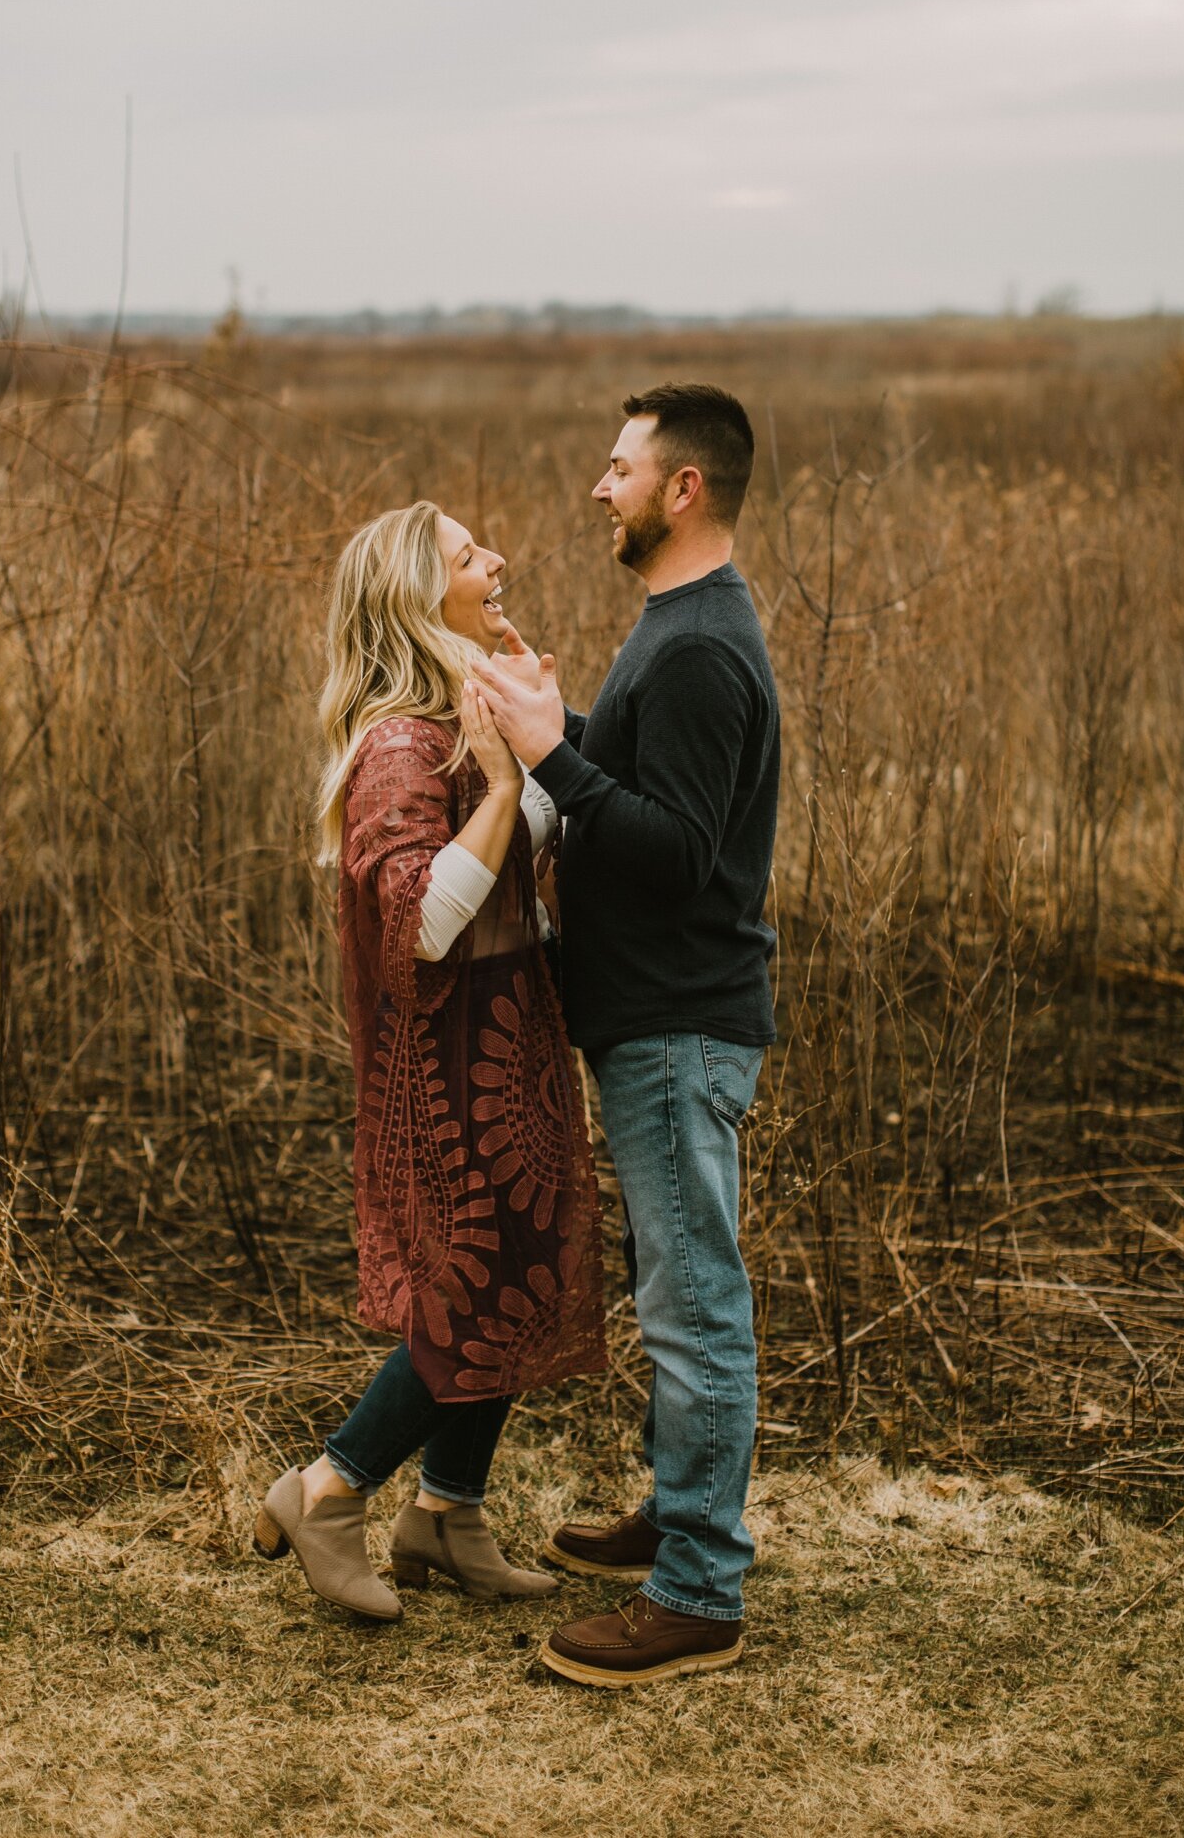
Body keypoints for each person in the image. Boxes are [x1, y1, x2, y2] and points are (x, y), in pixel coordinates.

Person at [253, 501, 606, 1620]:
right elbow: (418, 917)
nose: (497, 559)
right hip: (451, 1068)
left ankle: (446, 1512)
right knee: (472, 1284)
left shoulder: (459, 710)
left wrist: (534, 739)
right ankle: (329, 1488)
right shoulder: (401, 740)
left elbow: (530, 857)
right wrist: (503, 788)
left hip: (511, 1043)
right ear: (417, 597)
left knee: (526, 1265)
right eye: (467, 556)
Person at [477, 384, 780, 1685]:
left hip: (677, 1022)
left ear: (683, 489)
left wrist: (552, 756)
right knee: (678, 1296)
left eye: (617, 469)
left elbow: (676, 854)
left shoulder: (704, 645)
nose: (598, 488)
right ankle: (677, 1510)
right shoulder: (678, 626)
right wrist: (579, 730)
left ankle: (699, 1591)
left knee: (694, 1305)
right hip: (651, 1020)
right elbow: (652, 792)